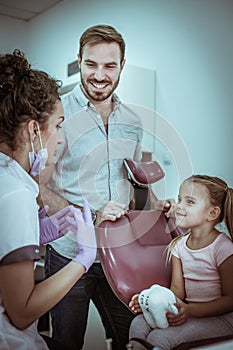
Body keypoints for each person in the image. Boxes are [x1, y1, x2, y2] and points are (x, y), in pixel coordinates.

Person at [39, 24, 174, 350]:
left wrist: (156, 206)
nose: (100, 75)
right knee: (67, 341)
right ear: (80, 61)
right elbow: (39, 187)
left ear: (122, 66)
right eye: (91, 64)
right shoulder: (56, 115)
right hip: (70, 252)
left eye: (109, 65)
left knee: (132, 335)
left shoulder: (133, 121)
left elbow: (134, 180)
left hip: (122, 251)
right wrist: (89, 215)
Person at [0, 49, 96, 350]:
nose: (60, 138)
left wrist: (39, 233)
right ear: (33, 130)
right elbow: (22, 311)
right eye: (57, 125)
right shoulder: (16, 193)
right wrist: (83, 260)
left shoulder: (8, 178)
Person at [128, 175, 233, 350]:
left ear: (212, 213)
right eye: (179, 199)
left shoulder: (223, 248)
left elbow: (231, 300)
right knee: (138, 323)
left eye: (190, 202)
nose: (180, 207)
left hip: (223, 319)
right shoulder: (178, 246)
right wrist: (149, 301)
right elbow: (177, 291)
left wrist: (189, 310)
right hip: (191, 313)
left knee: (160, 338)